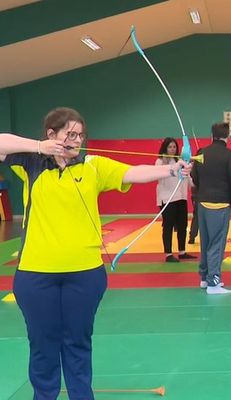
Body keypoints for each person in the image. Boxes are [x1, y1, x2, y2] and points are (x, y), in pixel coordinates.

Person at [0, 107, 192, 400]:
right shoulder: (30, 163)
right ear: (52, 134)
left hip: (85, 274)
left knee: (78, 342)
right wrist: (40, 147)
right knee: (42, 344)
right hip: (35, 273)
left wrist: (171, 169)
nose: (77, 140)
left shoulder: (93, 166)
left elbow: (132, 172)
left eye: (81, 135)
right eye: (70, 134)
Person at [191, 122, 231, 294]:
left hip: (202, 204)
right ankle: (213, 283)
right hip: (220, 204)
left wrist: (204, 190)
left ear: (212, 135)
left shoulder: (201, 153)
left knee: (206, 242)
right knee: (217, 244)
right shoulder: (229, 155)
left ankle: (204, 278)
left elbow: (194, 177)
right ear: (227, 136)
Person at [156, 137, 196, 262]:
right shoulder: (160, 161)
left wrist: (194, 179)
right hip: (167, 198)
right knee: (168, 225)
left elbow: (187, 177)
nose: (172, 149)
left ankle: (182, 251)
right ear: (165, 148)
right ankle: (168, 254)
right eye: (170, 147)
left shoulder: (180, 160)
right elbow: (160, 175)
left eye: (174, 147)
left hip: (181, 197)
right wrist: (174, 166)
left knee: (182, 224)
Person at [188, 148, 202, 245]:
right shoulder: (194, 166)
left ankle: (192, 236)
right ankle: (192, 236)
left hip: (197, 194)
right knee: (198, 216)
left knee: (197, 216)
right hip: (198, 194)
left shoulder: (194, 166)